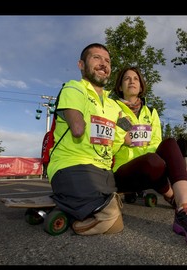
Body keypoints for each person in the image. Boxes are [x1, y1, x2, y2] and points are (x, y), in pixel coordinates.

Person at [111, 66, 187, 251]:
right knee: (150, 162)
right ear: (120, 86)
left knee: (168, 143)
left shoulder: (151, 112)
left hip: (150, 167)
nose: (132, 81)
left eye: (136, 79)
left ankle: (184, 209)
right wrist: (122, 139)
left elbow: (155, 142)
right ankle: (171, 196)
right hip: (123, 172)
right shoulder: (111, 108)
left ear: (141, 85)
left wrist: (144, 148)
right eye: (127, 79)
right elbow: (105, 142)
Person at [46, 43, 130, 236]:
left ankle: (78, 208)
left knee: (109, 207)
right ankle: (90, 210)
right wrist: (102, 120)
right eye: (96, 58)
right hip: (72, 165)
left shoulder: (113, 104)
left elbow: (128, 137)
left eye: (107, 61)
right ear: (81, 65)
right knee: (112, 218)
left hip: (103, 170)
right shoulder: (74, 89)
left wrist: (123, 114)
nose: (103, 64)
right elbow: (77, 129)